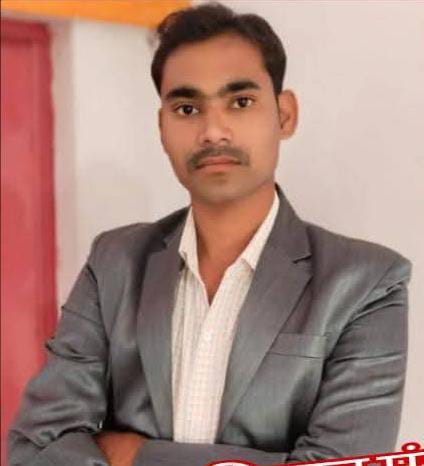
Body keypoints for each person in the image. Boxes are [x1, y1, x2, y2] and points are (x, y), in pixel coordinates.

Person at [8, 3, 412, 466]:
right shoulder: (115, 262)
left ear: (284, 115)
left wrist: (137, 455)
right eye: (187, 108)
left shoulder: (365, 283)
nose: (212, 131)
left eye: (240, 102)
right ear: (163, 128)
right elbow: (35, 445)